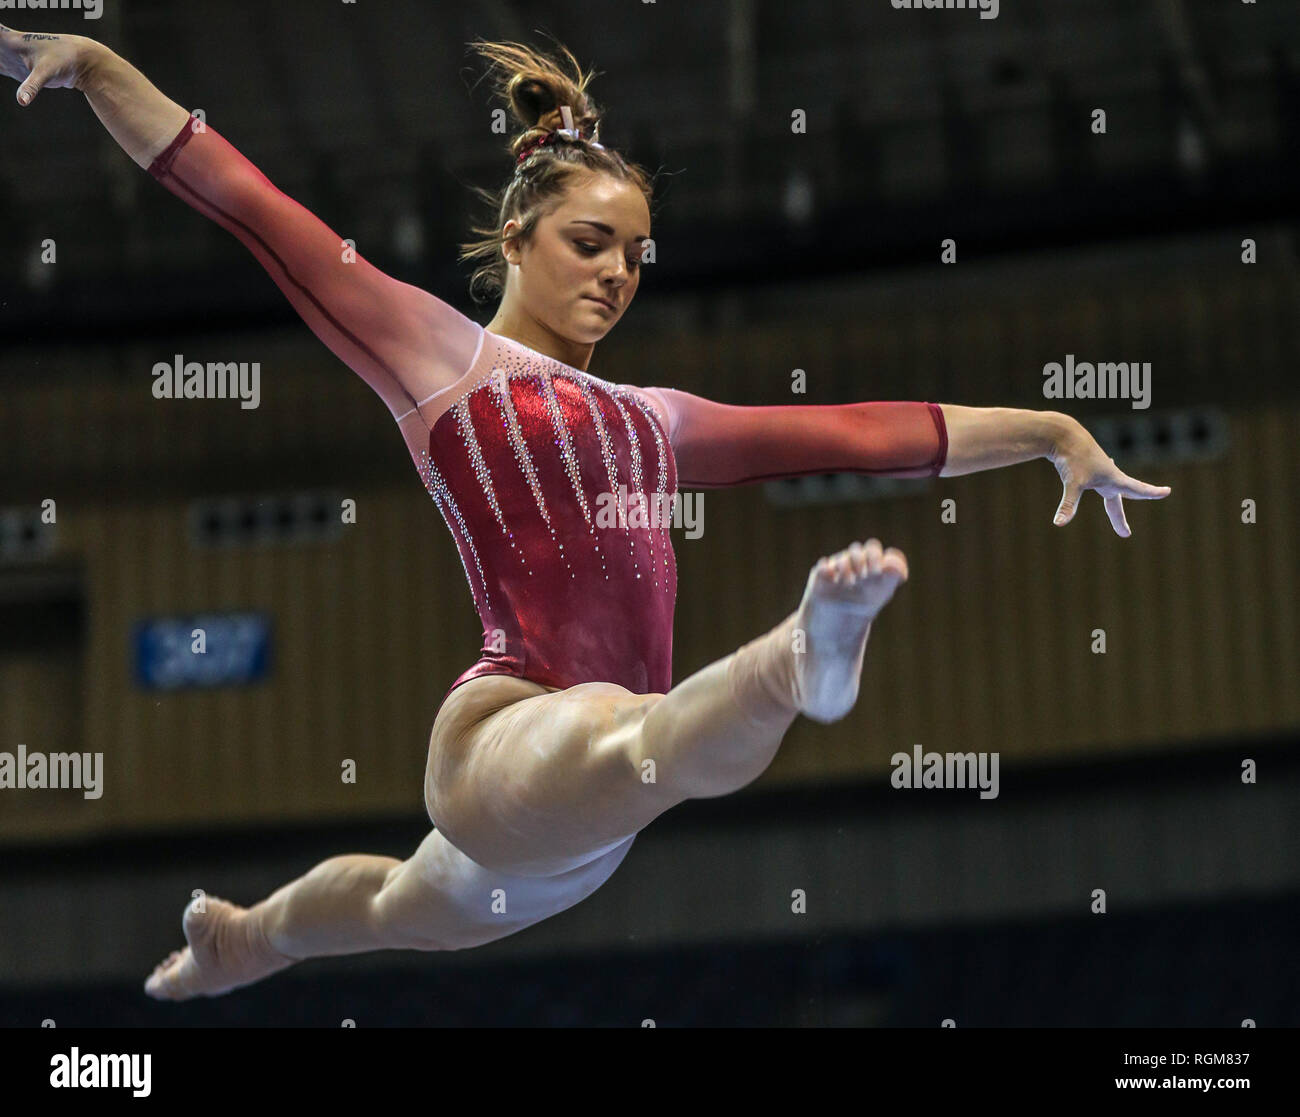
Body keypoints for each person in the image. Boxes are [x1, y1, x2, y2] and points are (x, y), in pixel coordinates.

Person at [2, 29, 1170, 1001]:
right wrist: (98, 67)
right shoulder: (441, 359)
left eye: (636, 255)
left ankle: (245, 942)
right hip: (506, 732)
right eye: (589, 243)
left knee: (406, 906)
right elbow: (248, 203)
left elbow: (862, 433)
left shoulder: (657, 420)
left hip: (577, 833)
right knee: (636, 737)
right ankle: (801, 656)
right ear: (516, 240)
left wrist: (1049, 430)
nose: (616, 273)